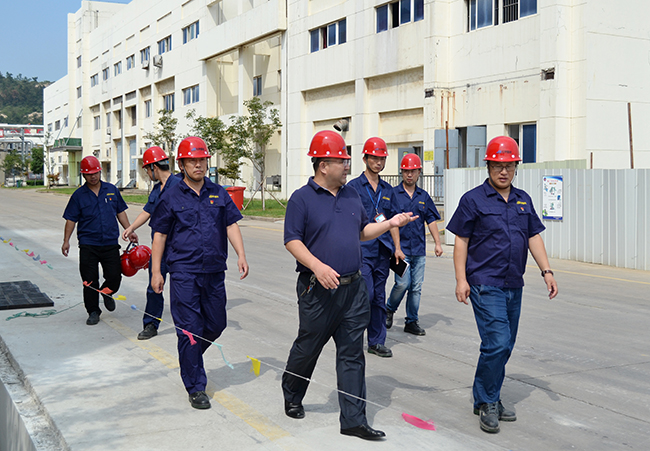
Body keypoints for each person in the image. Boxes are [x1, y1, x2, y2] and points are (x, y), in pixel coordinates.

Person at [282, 130, 416, 441]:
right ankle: (292, 392)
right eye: (341, 161)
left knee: (353, 353)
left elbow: (362, 231)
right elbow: (292, 240)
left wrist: (390, 223)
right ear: (323, 165)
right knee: (308, 347)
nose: (347, 166)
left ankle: (354, 420)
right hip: (317, 290)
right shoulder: (301, 198)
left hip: (354, 290)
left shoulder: (351, 195)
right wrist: (317, 266)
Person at [446, 136, 558, 434]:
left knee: (504, 345)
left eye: (509, 166)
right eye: (498, 166)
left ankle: (488, 396)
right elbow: (461, 241)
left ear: (516, 167)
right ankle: (487, 401)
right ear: (488, 166)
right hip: (484, 282)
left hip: (513, 282)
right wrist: (460, 279)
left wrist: (546, 271)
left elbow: (533, 236)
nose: (504, 171)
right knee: (496, 342)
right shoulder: (473, 200)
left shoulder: (523, 199)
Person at [149, 136, 249, 410]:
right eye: (192, 161)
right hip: (184, 272)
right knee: (190, 330)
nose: (198, 165)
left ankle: (189, 358)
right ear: (181, 164)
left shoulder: (218, 193)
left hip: (214, 271)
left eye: (202, 160)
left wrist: (241, 254)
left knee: (216, 324)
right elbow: (159, 235)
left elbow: (231, 224)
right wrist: (156, 272)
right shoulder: (170, 196)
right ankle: (195, 386)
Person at [62, 155, 138, 325]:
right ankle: (93, 311)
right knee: (89, 281)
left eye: (96, 173)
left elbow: (120, 212)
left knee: (115, 277)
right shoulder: (78, 195)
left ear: (100, 171)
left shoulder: (111, 190)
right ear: (83, 175)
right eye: (89, 174)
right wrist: (66, 241)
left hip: (110, 243)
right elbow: (71, 220)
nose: (93, 176)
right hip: (88, 244)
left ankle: (106, 292)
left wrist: (129, 230)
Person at [122, 146, 180, 340]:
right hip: (159, 248)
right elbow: (147, 211)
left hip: (179, 248)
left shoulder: (180, 185)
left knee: (183, 288)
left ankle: (189, 325)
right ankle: (151, 324)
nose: (147, 173)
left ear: (154, 167)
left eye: (147, 169)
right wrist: (131, 228)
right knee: (154, 286)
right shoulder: (156, 190)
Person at [346, 137, 394, 358]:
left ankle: (376, 342)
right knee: (366, 294)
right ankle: (353, 337)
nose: (378, 162)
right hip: (362, 250)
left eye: (382, 158)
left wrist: (398, 248)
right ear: (365, 159)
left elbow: (392, 221)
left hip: (383, 251)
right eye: (374, 158)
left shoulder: (388, 189)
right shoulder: (352, 188)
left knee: (379, 297)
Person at [386, 153, 443, 336]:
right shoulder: (393, 194)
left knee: (416, 288)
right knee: (402, 284)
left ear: (419, 172)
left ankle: (411, 321)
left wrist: (438, 243)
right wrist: (396, 248)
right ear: (401, 172)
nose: (409, 174)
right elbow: (390, 222)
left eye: (413, 171)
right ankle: (389, 309)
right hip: (399, 251)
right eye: (406, 171)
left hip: (418, 250)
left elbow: (431, 220)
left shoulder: (423, 196)